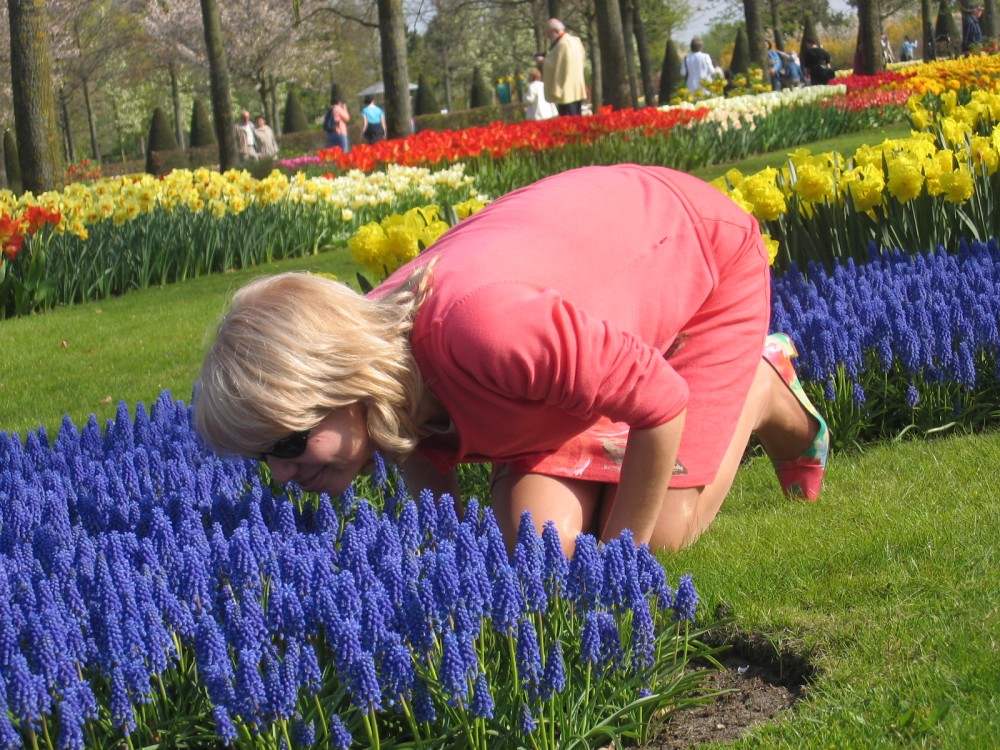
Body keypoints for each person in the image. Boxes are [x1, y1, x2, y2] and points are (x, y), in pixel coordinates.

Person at [195, 165, 830, 556]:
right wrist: (444, 559)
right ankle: (596, 388)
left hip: (697, 254)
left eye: (288, 442)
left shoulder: (483, 331)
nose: (281, 474)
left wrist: (622, 563)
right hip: (567, 341)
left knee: (658, 535)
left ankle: (760, 385)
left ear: (342, 380)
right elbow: (421, 457)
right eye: (264, 456)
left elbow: (660, 402)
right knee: (537, 548)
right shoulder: (379, 369)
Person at [542, 18, 588, 116]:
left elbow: (559, 67)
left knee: (568, 122)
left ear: (556, 31)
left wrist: (543, 61)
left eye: (549, 34)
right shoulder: (576, 41)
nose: (548, 37)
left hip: (566, 91)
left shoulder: (562, 45)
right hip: (577, 89)